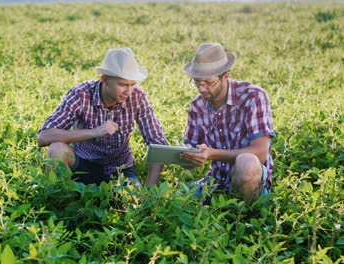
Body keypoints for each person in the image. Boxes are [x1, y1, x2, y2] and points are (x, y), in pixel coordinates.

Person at [149, 43, 275, 201]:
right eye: (197, 82)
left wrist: (212, 154)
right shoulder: (197, 105)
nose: (201, 89)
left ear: (226, 76)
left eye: (208, 82)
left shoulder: (253, 97)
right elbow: (191, 154)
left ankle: (246, 215)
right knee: (172, 202)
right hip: (215, 182)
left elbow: (261, 153)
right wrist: (190, 155)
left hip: (253, 183)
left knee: (246, 162)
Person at [37, 48, 168, 187]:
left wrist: (148, 194)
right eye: (122, 84)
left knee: (132, 202)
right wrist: (94, 132)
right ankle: (65, 204)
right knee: (57, 150)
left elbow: (159, 145)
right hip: (83, 166)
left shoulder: (137, 96)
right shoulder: (81, 94)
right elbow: (43, 137)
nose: (128, 91)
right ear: (104, 79)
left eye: (132, 85)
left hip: (121, 170)